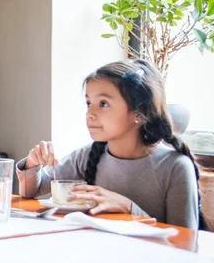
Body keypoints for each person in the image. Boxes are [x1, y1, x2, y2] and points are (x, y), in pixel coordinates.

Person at [17, 59, 200, 229]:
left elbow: (185, 243)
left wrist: (129, 208)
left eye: (103, 103)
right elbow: (32, 192)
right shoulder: (88, 155)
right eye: (89, 103)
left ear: (138, 113)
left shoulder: (175, 168)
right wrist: (32, 163)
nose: (90, 113)